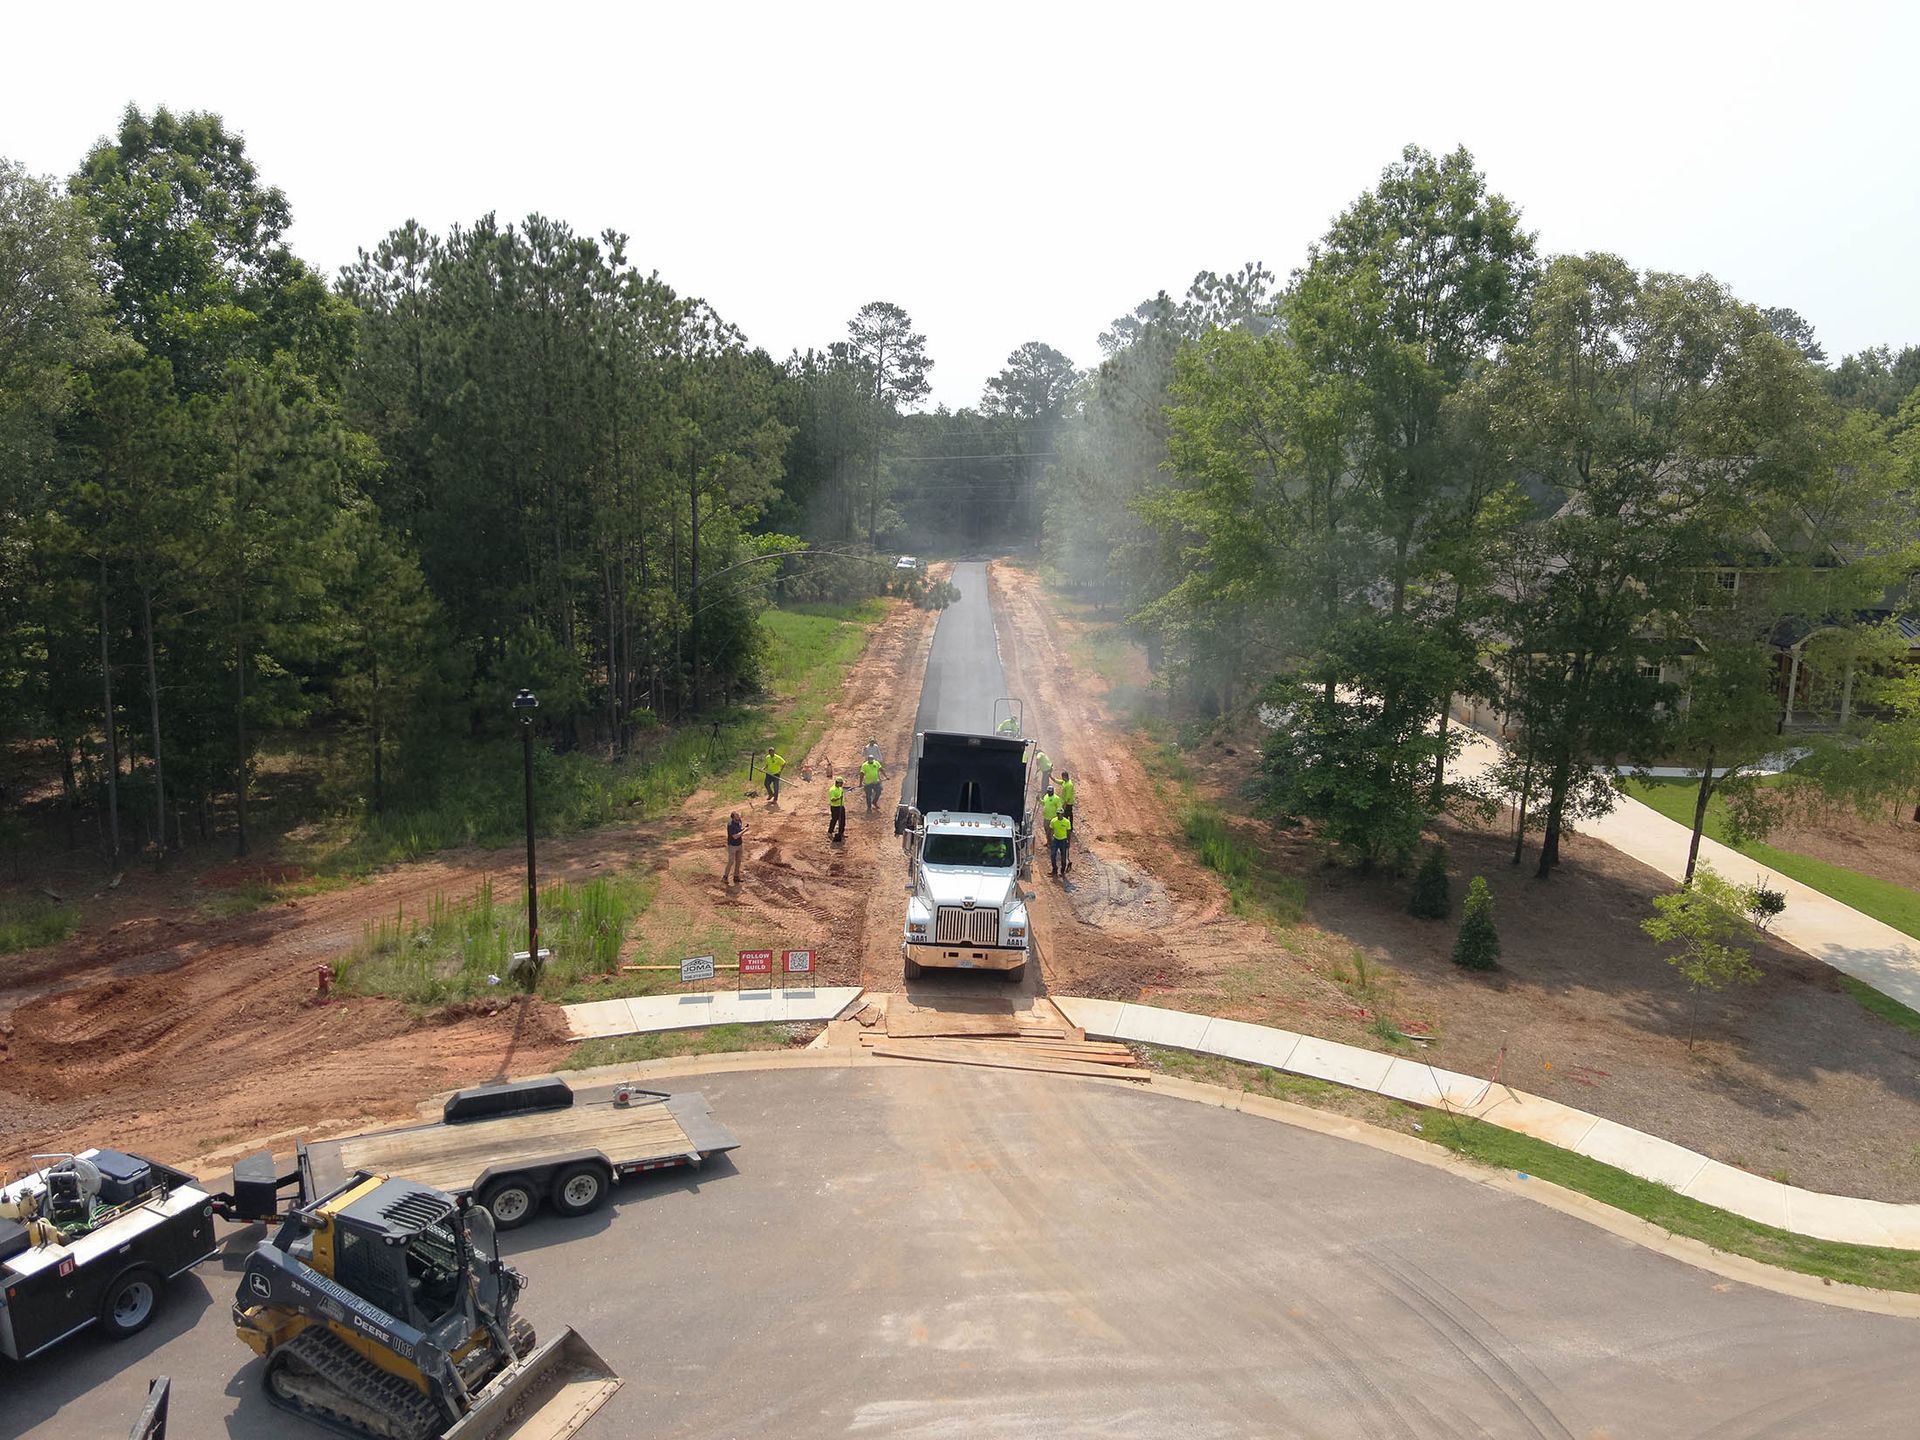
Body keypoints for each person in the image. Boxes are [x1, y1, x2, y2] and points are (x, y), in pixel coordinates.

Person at [725, 811, 746, 884]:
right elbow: (735, 836)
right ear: (733, 817)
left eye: (738, 814)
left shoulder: (739, 821)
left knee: (738, 861)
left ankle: (736, 876)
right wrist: (745, 831)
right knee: (731, 861)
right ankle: (725, 877)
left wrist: (744, 828)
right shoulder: (730, 825)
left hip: (739, 845)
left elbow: (739, 829)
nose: (739, 816)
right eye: (737, 815)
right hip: (732, 846)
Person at [1048, 810, 1071, 877]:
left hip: (1063, 840)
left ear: (1063, 814)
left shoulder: (1067, 822)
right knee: (1053, 855)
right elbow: (1051, 830)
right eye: (1058, 814)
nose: (1059, 815)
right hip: (1055, 839)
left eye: (1060, 814)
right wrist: (1050, 840)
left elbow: (1068, 832)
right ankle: (1054, 869)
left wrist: (1068, 842)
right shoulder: (1053, 821)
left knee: (1063, 856)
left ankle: (1062, 871)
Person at [827, 775, 846, 841]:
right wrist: (838, 798)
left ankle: (841, 832)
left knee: (842, 820)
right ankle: (830, 832)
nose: (842, 784)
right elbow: (832, 799)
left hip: (841, 806)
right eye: (841, 783)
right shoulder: (832, 790)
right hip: (835, 807)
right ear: (837, 782)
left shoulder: (840, 789)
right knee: (834, 819)